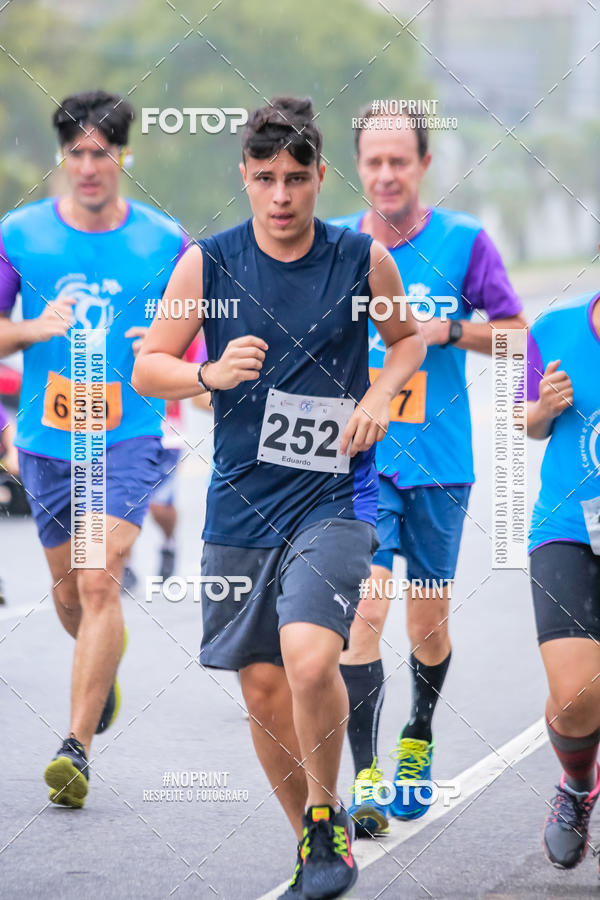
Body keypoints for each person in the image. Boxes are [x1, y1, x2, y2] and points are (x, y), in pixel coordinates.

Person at [133, 96, 425, 900]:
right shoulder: (209, 263)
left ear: (320, 176)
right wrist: (207, 372)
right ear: (245, 177)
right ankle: (315, 843)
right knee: (262, 689)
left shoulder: (360, 259)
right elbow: (149, 365)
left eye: (296, 178)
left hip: (334, 497)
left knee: (310, 656)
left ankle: (327, 811)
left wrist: (380, 397)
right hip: (241, 505)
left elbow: (406, 340)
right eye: (266, 179)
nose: (282, 195)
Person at [329, 102, 526, 834]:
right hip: (361, 462)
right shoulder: (338, 244)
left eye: (399, 161)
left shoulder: (464, 242)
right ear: (358, 166)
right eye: (374, 162)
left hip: (442, 463)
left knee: (428, 622)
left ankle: (417, 736)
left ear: (423, 165)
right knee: (365, 612)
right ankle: (365, 775)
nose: (386, 174)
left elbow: (515, 336)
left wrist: (448, 330)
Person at [0, 89, 188, 808]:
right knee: (69, 594)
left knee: (100, 577)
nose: (88, 166)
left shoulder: (165, 240)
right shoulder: (20, 234)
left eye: (101, 153)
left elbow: (202, 326)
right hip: (48, 439)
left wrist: (167, 344)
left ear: (123, 156)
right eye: (76, 152)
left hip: (129, 434)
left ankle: (74, 748)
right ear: (62, 157)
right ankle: (100, 664)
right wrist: (34, 327)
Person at [525, 289, 600, 873]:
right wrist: (544, 408)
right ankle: (577, 785)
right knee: (576, 697)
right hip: (567, 528)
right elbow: (523, 423)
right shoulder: (554, 328)